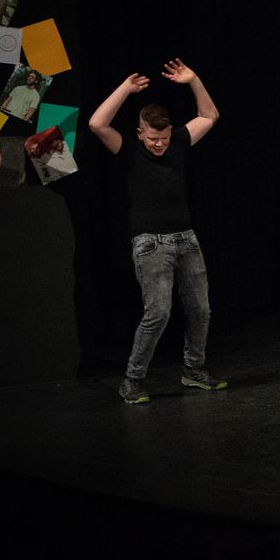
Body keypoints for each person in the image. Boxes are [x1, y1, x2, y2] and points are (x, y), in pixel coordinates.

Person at [89, 60, 223, 403]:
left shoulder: (178, 141)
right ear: (140, 133)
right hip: (150, 243)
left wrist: (194, 80)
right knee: (158, 313)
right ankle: (132, 380)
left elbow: (209, 116)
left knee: (201, 310)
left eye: (162, 138)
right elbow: (96, 123)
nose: (159, 144)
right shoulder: (129, 150)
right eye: (152, 139)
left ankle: (193, 370)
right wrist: (125, 88)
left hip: (186, 238)